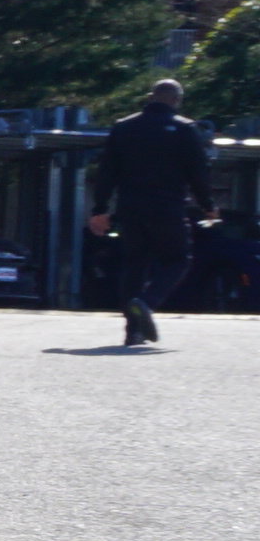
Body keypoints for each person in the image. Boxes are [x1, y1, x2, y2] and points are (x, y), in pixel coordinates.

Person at [92, 77, 213, 346]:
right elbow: (198, 173)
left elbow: (107, 171)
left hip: (131, 208)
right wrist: (208, 206)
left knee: (135, 264)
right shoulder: (184, 128)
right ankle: (147, 301)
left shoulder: (123, 127)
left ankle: (133, 331)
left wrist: (100, 209)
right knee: (178, 259)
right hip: (168, 207)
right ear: (176, 100)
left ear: (150, 97)